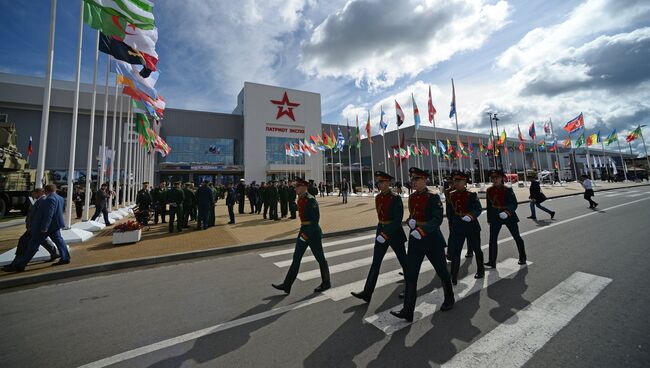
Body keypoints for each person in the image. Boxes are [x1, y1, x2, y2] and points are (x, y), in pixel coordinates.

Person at [391, 167, 454, 322]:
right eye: (412, 179)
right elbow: (413, 215)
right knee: (411, 275)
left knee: (442, 271)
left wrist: (423, 230)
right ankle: (408, 310)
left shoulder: (433, 197)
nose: (412, 182)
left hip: (432, 240)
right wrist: (410, 222)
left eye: (415, 179)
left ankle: (449, 298)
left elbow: (437, 219)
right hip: (415, 240)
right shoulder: (412, 198)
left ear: (424, 180)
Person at [351, 171, 407, 303]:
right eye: (378, 182)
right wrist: (381, 231)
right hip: (381, 230)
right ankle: (367, 292)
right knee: (376, 262)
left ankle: (410, 288)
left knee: (404, 261)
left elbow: (397, 220)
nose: (379, 184)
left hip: (394, 233)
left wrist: (386, 233)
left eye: (382, 182)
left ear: (388, 183)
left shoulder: (395, 198)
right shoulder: (378, 197)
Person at [272, 178, 331, 294]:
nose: (296, 189)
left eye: (297, 187)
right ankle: (287, 285)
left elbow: (315, 221)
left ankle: (326, 282)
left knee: (320, 258)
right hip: (304, 230)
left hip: (313, 233)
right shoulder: (300, 199)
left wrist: (305, 235)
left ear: (304, 187)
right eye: (296, 187)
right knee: (296, 258)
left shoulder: (311, 200)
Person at [446, 170, 484, 285]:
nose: (456, 183)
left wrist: (471, 216)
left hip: (471, 225)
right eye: (455, 181)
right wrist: (452, 223)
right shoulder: (451, 195)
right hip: (458, 225)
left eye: (459, 181)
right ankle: (453, 275)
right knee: (456, 251)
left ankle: (480, 270)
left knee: (477, 249)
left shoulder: (471, 195)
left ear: (464, 181)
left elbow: (478, 209)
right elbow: (452, 211)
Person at [485, 169, 527, 268]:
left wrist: (507, 212)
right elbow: (489, 206)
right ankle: (492, 261)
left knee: (516, 237)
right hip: (495, 216)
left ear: (501, 178)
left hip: (509, 216)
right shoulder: (489, 190)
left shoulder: (508, 189)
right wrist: (489, 218)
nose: (495, 180)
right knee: (492, 239)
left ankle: (522, 256)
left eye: (497, 178)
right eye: (493, 178)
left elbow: (514, 203)